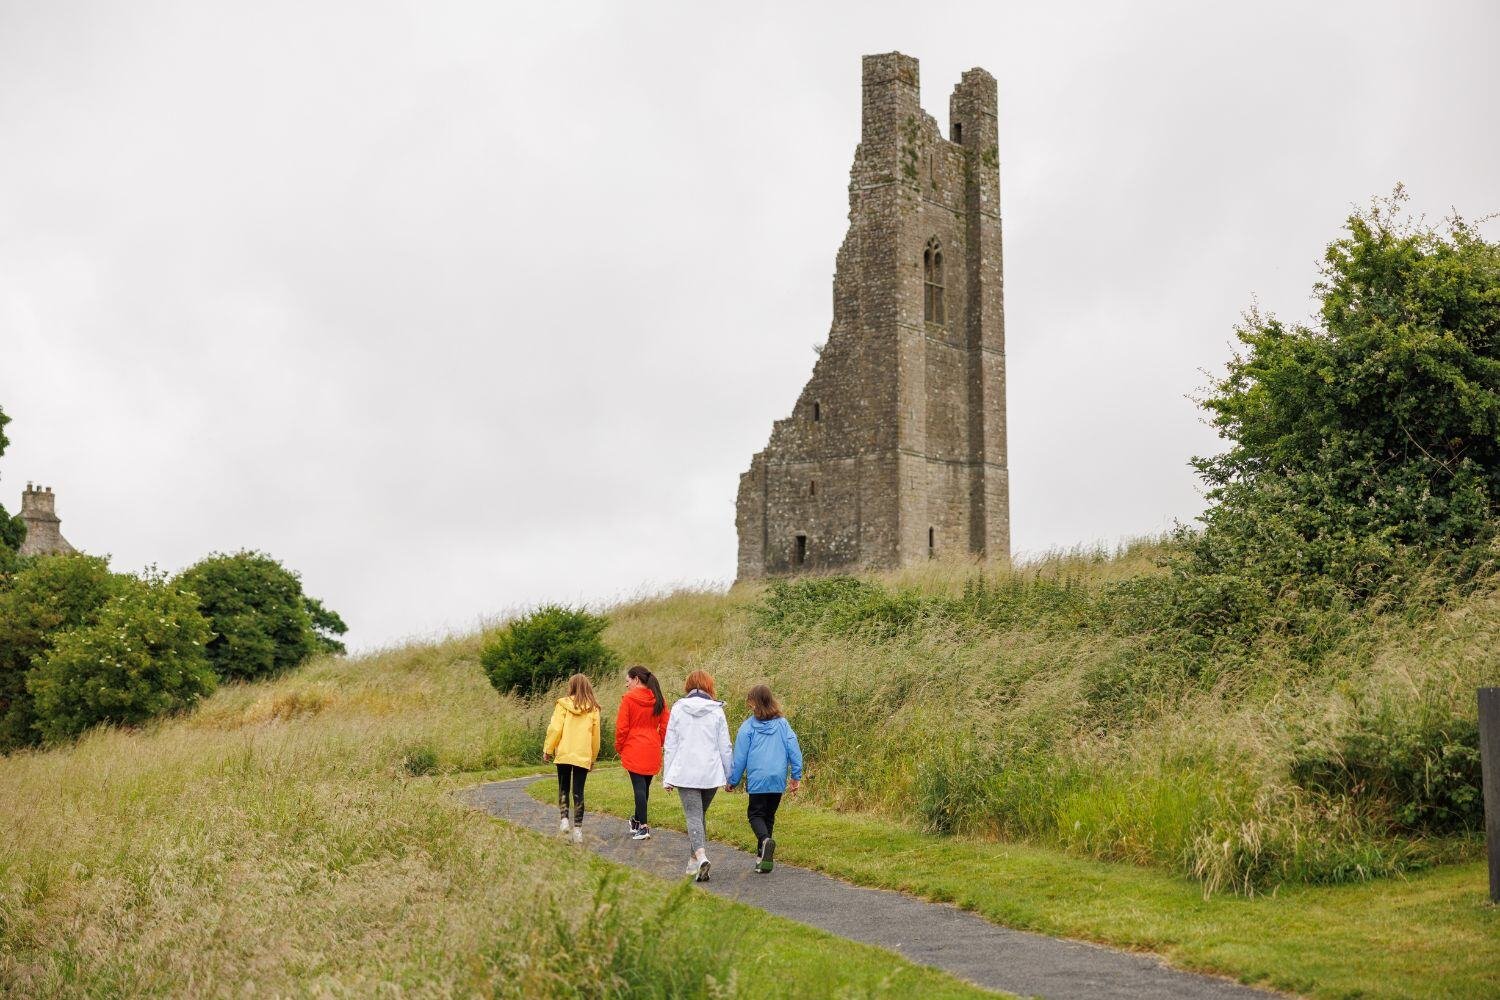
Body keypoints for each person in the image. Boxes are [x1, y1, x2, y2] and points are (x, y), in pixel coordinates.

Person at [661, 669, 733, 882]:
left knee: (694, 815)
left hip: (686, 772)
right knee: (698, 815)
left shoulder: (678, 709)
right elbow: (725, 746)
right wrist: (730, 775)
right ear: (709, 686)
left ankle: (700, 856)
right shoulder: (716, 710)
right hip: (710, 773)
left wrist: (668, 776)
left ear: (688, 686)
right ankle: (694, 861)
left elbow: (670, 744)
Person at [727, 684, 804, 873]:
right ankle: (763, 860)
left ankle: (764, 841)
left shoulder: (747, 727)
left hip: (758, 778)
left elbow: (740, 757)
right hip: (777, 778)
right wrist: (796, 776)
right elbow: (794, 750)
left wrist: (733, 780)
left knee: (755, 815)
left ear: (754, 703)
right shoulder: (783, 724)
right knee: (768, 816)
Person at [542, 673, 601, 845]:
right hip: (582, 754)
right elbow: (595, 737)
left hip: (565, 752)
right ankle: (578, 830)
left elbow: (555, 728)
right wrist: (593, 757)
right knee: (578, 791)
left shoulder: (563, 704)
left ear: (572, 686)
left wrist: (548, 748)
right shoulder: (594, 709)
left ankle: (564, 820)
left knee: (563, 787)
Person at [614, 665, 669, 840]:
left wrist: (619, 746)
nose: (626, 685)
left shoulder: (629, 699)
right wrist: (658, 741)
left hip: (634, 745)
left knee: (639, 787)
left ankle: (644, 827)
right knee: (644, 787)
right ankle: (637, 820)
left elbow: (622, 727)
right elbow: (666, 725)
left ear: (636, 679)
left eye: (627, 681)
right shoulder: (659, 698)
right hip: (652, 746)